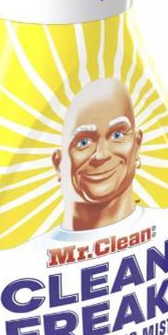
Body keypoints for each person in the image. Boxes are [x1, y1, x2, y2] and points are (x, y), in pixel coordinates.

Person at [52, 77, 142, 231]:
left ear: (137, 145)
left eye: (117, 135)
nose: (101, 155)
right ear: (58, 164)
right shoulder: (31, 247)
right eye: (83, 142)